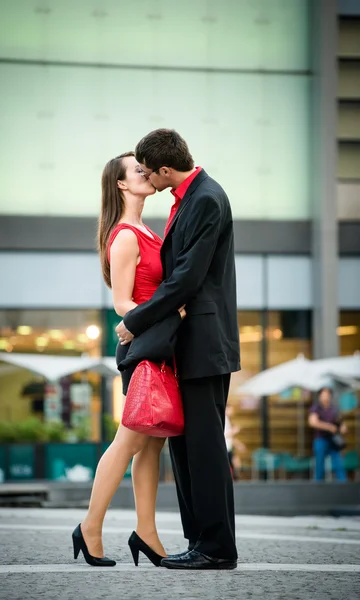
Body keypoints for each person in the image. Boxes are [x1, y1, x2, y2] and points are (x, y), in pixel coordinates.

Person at [116, 129, 241, 570]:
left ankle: (217, 548)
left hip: (205, 343)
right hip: (190, 343)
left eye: (149, 171)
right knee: (187, 450)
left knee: (204, 449)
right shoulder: (189, 197)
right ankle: (201, 542)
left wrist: (135, 320)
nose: (148, 178)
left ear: (166, 169)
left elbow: (187, 278)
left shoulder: (206, 198)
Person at [72, 151, 185, 567]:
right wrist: (170, 308)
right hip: (142, 348)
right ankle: (90, 527)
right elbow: (122, 303)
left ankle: (147, 531)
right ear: (121, 184)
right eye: (138, 170)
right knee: (132, 439)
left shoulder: (146, 230)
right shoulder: (124, 236)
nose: (148, 173)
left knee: (152, 444)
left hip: (157, 346)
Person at [308, 387, 347, 482]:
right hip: (321, 439)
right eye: (323, 394)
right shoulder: (316, 408)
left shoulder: (333, 409)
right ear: (320, 396)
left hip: (333, 440)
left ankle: (344, 487)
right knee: (319, 466)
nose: (326, 397)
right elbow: (313, 422)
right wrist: (328, 427)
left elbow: (339, 421)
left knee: (339, 464)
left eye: (327, 395)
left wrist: (342, 427)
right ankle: (318, 488)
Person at [224, 406, 246, 481]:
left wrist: (238, 444)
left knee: (235, 460)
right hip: (225, 447)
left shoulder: (228, 420)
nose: (232, 412)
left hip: (228, 447)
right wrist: (233, 431)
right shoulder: (224, 419)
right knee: (233, 461)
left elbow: (229, 437)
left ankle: (235, 477)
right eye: (231, 409)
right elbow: (223, 435)